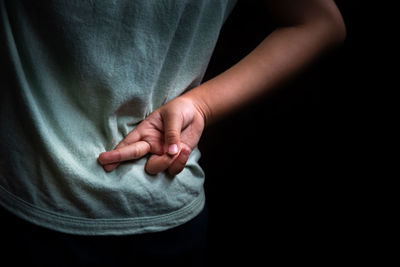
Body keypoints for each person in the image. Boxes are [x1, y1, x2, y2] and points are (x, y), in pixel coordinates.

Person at [0, 0, 345, 265]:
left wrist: (202, 106)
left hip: (36, 201)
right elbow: (320, 20)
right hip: (162, 208)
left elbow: (321, 23)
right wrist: (201, 106)